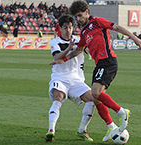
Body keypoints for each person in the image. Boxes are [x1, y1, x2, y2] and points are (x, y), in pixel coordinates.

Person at [50, 0, 141, 141]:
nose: (78, 19)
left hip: (108, 61)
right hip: (99, 64)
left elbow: (118, 28)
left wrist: (135, 39)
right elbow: (78, 50)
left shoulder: (98, 21)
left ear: (87, 12)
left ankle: (122, 112)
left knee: (95, 93)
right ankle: (111, 127)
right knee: (96, 99)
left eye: (79, 16)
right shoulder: (83, 31)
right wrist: (62, 60)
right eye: (76, 17)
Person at [46, 14, 116, 142]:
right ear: (60, 29)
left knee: (93, 99)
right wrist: (69, 47)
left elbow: (86, 48)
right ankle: (51, 130)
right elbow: (57, 58)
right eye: (66, 27)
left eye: (71, 27)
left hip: (76, 79)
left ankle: (82, 130)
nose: (68, 30)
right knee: (58, 98)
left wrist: (91, 50)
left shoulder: (80, 40)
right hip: (60, 78)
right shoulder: (55, 42)